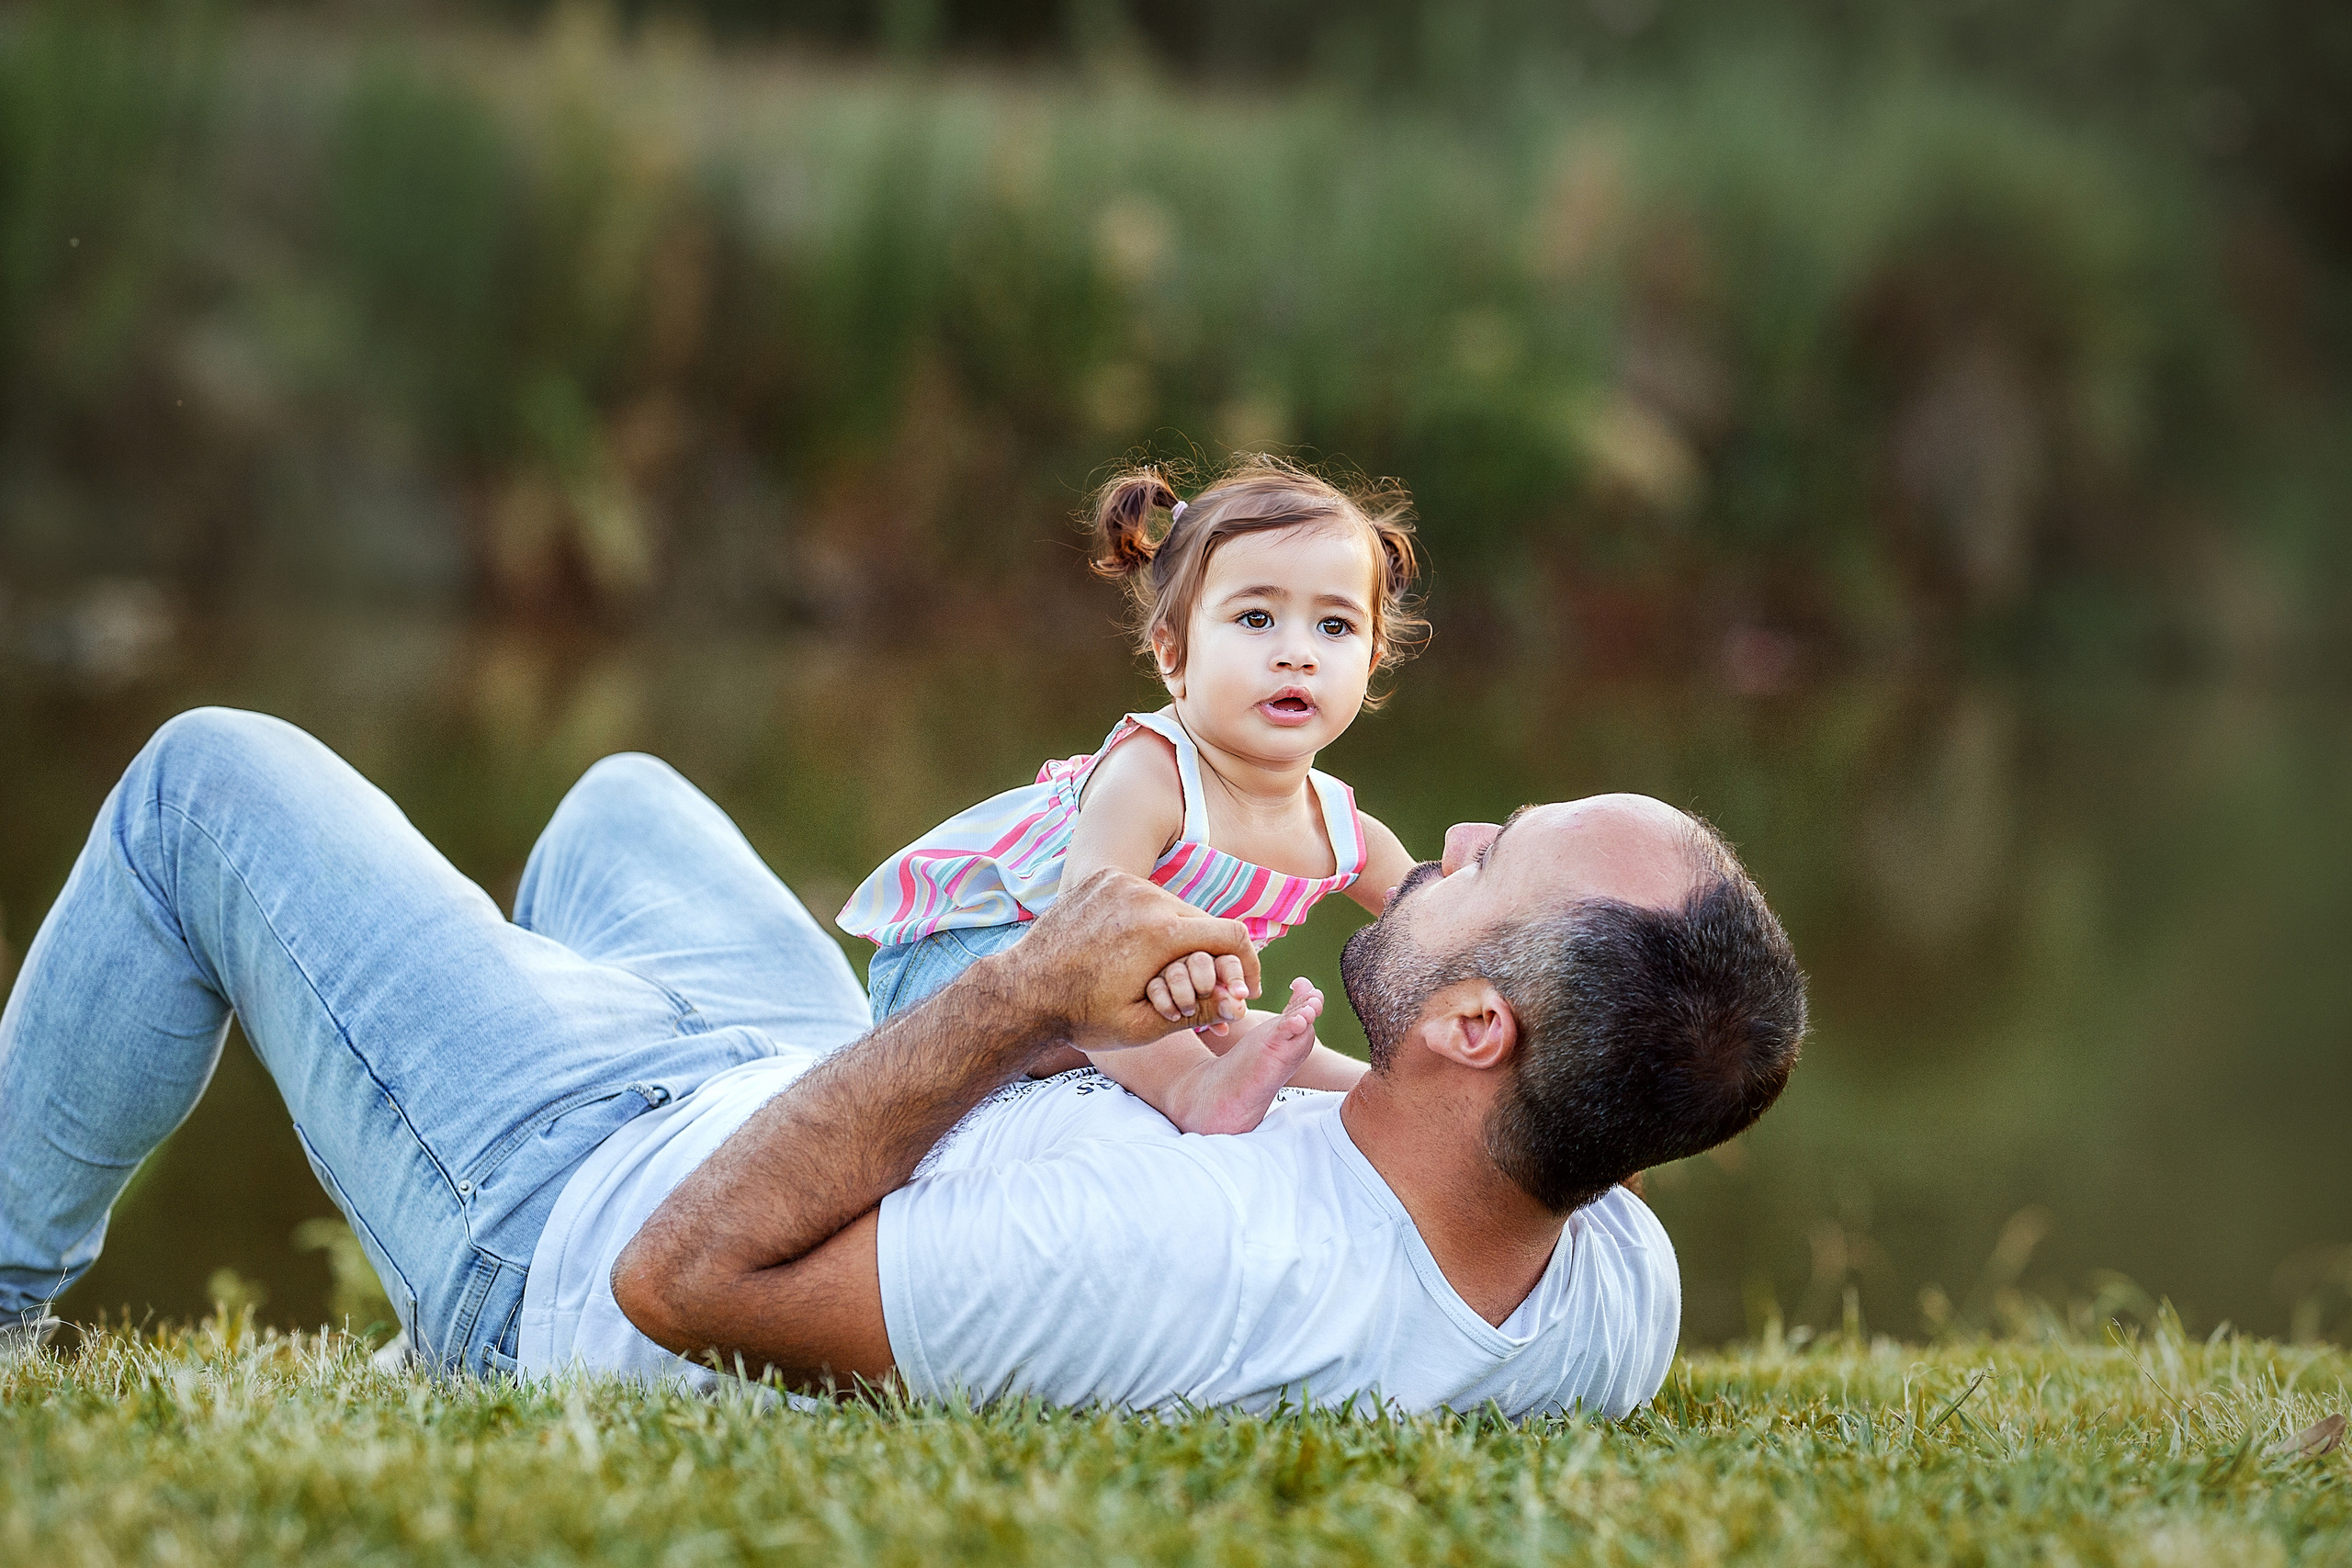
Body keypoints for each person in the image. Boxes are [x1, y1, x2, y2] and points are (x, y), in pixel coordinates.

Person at [0, 709, 1806, 1419]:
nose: (1464, 824)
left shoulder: (1173, 1264)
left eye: (1496, 861)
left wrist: (1033, 989)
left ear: (1479, 1028)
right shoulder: (1597, 1278)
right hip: (791, 1081)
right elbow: (1617, 1101)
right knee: (623, 801)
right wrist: (1217, 1043)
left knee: (200, 783)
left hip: (578, 1197)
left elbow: (683, 1276)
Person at [839, 455, 1424, 1135]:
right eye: (1257, 618)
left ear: (1374, 659)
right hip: (967, 972)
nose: (1298, 653)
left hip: (1128, 999)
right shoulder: (1153, 773)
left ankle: (1388, 1101)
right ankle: (1190, 1090)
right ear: (1173, 652)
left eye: (1335, 626)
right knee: (1152, 1014)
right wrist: (1167, 965)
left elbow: (1443, 928)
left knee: (1254, 1029)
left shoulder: (1347, 833)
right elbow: (1087, 925)